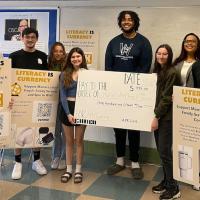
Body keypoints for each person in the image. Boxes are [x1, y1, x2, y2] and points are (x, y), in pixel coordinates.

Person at [105, 10, 152, 179]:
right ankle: (119, 161)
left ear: (135, 22)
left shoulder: (143, 43)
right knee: (118, 128)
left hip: (135, 94)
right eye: (123, 20)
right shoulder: (113, 43)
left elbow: (145, 68)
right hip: (116, 94)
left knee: (133, 128)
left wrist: (129, 86)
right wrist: (116, 87)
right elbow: (108, 68)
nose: (126, 22)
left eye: (130, 19)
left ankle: (135, 162)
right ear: (120, 22)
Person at [9, 27, 48, 180]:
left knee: (37, 129)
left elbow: (47, 78)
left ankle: (36, 160)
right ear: (22, 38)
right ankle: (17, 162)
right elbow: (8, 78)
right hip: (18, 99)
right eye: (27, 37)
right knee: (18, 130)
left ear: (36, 39)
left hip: (37, 99)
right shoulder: (14, 56)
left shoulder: (43, 57)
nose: (30, 40)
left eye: (33, 37)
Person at [151, 44, 181, 200]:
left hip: (166, 118)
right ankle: (166, 180)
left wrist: (156, 116)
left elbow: (167, 98)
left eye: (164, 54)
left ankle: (173, 187)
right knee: (162, 152)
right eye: (159, 53)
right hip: (158, 115)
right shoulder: (157, 71)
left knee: (164, 152)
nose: (161, 56)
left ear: (169, 56)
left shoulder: (171, 72)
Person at [173, 33, 200, 191]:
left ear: (198, 44)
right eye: (187, 41)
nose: (189, 43)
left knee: (195, 143)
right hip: (178, 107)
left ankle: (196, 177)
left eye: (193, 41)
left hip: (193, 107)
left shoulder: (199, 63)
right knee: (181, 142)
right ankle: (182, 173)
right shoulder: (178, 62)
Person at [60, 47, 87, 184]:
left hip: (82, 108)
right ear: (69, 59)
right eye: (73, 57)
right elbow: (63, 96)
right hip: (67, 110)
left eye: (78, 56)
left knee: (79, 140)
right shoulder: (64, 73)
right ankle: (69, 169)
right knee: (69, 141)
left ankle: (78, 170)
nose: (76, 59)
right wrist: (68, 114)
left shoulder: (88, 74)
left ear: (82, 58)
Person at [48, 42, 67, 170]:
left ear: (64, 52)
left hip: (65, 103)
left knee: (65, 133)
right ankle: (56, 156)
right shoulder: (47, 66)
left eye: (61, 51)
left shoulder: (68, 66)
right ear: (52, 52)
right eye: (56, 51)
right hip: (52, 102)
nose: (58, 53)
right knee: (55, 132)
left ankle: (65, 158)